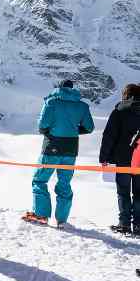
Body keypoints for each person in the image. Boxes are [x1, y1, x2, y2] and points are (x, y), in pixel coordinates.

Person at [23, 79, 94, 228]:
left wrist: (51, 131)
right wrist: (74, 130)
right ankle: (62, 220)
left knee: (40, 180)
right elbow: (89, 127)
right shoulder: (82, 105)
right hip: (71, 149)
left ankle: (41, 215)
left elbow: (42, 125)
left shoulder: (51, 102)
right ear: (72, 89)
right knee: (64, 182)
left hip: (52, 146)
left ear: (59, 88)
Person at [100, 84, 140, 235]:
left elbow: (109, 136)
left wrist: (104, 157)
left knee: (123, 191)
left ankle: (124, 224)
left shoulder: (119, 110)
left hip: (123, 159)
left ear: (127, 95)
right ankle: (138, 225)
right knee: (139, 193)